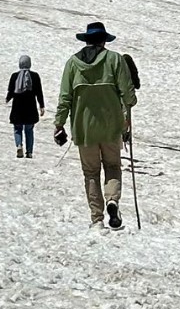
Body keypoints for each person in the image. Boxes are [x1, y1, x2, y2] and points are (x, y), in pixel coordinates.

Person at [54, 22, 138, 230]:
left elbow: (65, 97)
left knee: (91, 172)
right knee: (112, 166)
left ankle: (97, 218)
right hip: (111, 126)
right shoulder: (114, 60)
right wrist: (131, 102)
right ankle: (112, 201)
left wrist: (59, 123)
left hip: (84, 128)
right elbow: (128, 93)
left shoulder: (72, 64)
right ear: (103, 40)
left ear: (86, 40)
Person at [6, 54, 45, 158]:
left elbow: (11, 91)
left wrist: (7, 99)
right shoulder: (35, 76)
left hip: (17, 108)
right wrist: (41, 106)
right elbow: (39, 92)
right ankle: (29, 152)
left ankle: (19, 145)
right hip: (30, 109)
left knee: (17, 129)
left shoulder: (15, 76)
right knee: (29, 130)